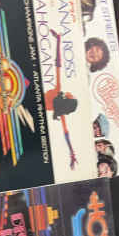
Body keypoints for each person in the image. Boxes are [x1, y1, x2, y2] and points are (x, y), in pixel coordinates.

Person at [44, 29, 79, 169]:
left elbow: (58, 63)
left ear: (67, 100)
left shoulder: (58, 89)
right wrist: (72, 153)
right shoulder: (60, 112)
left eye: (71, 96)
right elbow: (66, 134)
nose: (71, 93)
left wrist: (58, 40)